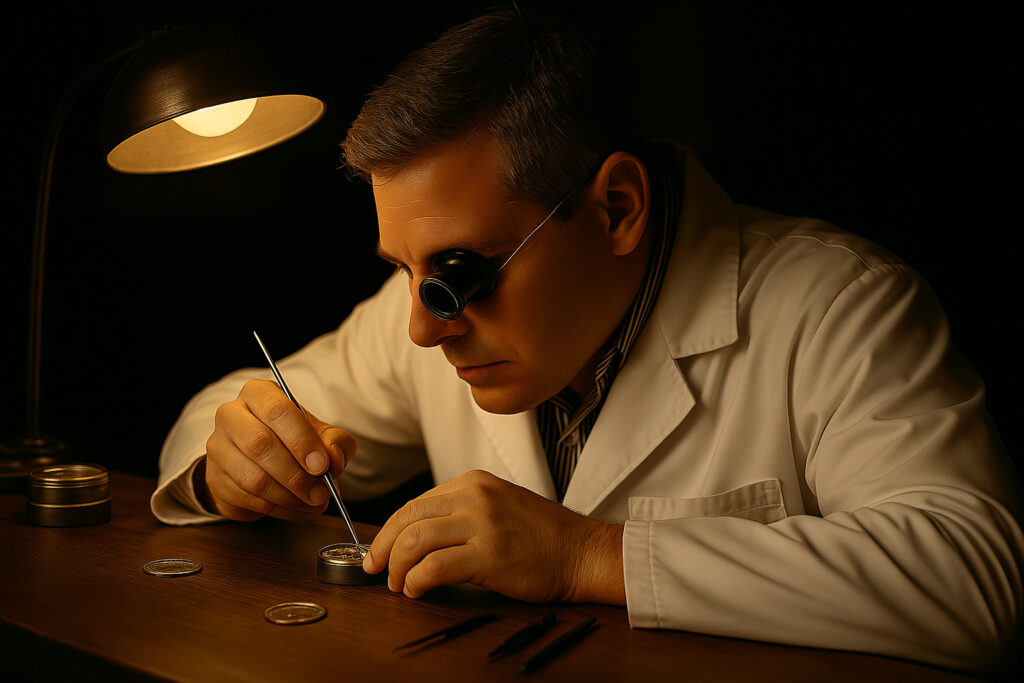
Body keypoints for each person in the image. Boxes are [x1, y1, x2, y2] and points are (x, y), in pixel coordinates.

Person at [152, 6, 1023, 674]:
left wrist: (589, 555)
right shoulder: (418, 311)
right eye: (403, 270)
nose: (422, 326)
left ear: (616, 207)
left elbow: (970, 580)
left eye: (458, 274)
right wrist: (233, 462)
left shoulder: (837, 306)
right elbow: (219, 412)